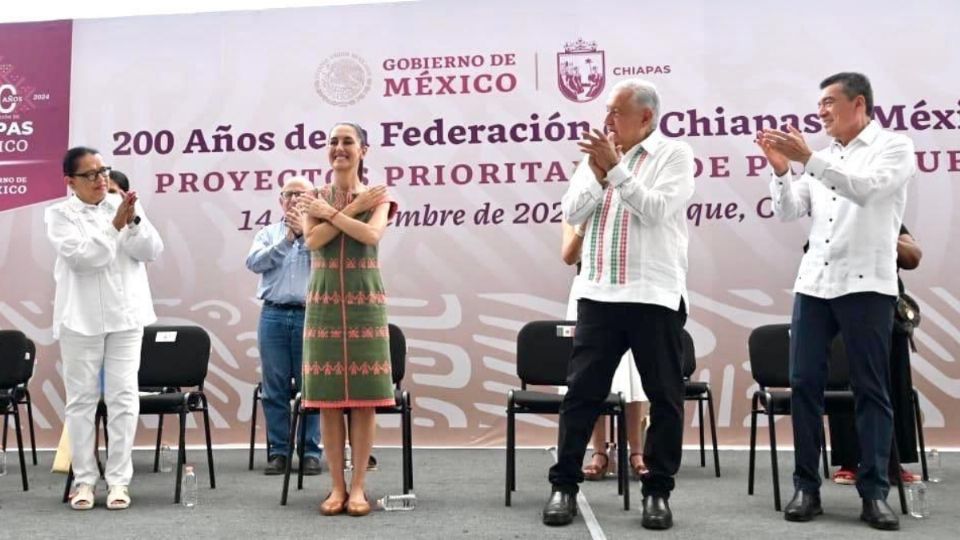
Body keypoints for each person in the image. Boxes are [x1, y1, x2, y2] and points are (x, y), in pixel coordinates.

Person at [758, 72, 916, 531]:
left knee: (871, 389)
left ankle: (874, 493)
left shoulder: (894, 147)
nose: (821, 111)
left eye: (829, 102)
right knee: (804, 384)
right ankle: (807, 486)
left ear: (859, 104)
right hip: (815, 285)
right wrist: (782, 170)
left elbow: (865, 190)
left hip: (868, 286)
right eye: (820, 103)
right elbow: (789, 211)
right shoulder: (821, 158)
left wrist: (807, 158)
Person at [543, 79, 694, 530]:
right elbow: (572, 212)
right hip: (599, 295)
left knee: (664, 398)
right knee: (581, 395)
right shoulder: (596, 158)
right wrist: (595, 170)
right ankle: (564, 486)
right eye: (606, 111)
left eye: (616, 112)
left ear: (645, 117)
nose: (607, 121)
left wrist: (617, 170)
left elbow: (655, 210)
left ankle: (658, 492)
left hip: (653, 295)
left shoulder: (674, 156)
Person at [45, 146, 164, 510]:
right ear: (70, 181)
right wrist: (114, 227)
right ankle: (83, 481)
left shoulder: (123, 205)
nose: (101, 180)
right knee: (81, 401)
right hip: (80, 320)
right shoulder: (58, 215)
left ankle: (119, 482)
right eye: (91, 174)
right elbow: (86, 260)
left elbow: (152, 250)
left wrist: (133, 222)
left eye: (104, 171)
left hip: (126, 317)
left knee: (123, 398)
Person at [298, 122, 397, 517]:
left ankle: (359, 488)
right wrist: (344, 211)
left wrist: (341, 211)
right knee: (328, 402)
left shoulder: (378, 196)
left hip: (365, 304)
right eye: (333, 142)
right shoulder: (312, 197)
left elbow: (371, 236)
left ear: (363, 151)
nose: (339, 148)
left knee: (363, 403)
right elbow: (313, 241)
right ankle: (336, 487)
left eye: (348, 142)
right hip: (323, 304)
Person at [828, 226, 923, 485]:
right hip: (843, 307)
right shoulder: (834, 217)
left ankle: (893, 462)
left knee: (891, 387)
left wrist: (883, 235)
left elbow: (912, 257)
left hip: (885, 310)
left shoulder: (889, 218)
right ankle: (850, 462)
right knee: (846, 385)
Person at [245, 176, 322, 476]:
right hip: (273, 315)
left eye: (301, 195)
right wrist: (288, 239)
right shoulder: (268, 233)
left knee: (311, 387)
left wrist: (304, 236)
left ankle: (310, 452)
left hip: (310, 314)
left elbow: (325, 265)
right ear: (280, 200)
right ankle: (278, 452)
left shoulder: (320, 234)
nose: (293, 199)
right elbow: (255, 263)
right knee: (274, 388)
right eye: (288, 194)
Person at [561, 221, 648, 481]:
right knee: (591, 375)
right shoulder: (575, 206)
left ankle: (636, 452)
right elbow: (569, 255)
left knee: (632, 375)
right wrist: (583, 225)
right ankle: (599, 452)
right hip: (591, 293)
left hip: (630, 292)